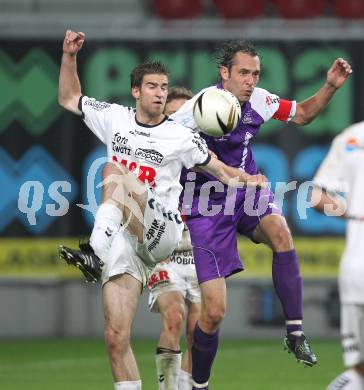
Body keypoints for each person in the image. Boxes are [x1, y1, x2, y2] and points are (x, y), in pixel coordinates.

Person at [58, 30, 266, 390]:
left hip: (163, 231)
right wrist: (69, 56)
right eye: (152, 86)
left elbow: (220, 170)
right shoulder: (114, 118)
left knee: (115, 172)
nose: (160, 93)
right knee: (115, 337)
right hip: (125, 236)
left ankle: (93, 251)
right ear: (136, 91)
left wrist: (248, 179)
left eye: (164, 87)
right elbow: (69, 97)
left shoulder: (180, 137)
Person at [170, 39, 352, 389]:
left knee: (281, 232)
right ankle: (199, 384)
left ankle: (295, 332)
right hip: (204, 207)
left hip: (246, 194)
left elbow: (302, 113)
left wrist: (329, 86)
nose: (250, 80)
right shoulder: (194, 111)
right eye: (243, 73)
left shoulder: (259, 100)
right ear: (224, 73)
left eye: (255, 73)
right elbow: (161, 145)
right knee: (213, 313)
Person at [147, 87, 200, 390]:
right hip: (165, 251)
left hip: (201, 251)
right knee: (174, 317)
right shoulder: (153, 157)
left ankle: (188, 386)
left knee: (199, 331)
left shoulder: (205, 157)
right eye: (174, 117)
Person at [311, 122, 364, 390]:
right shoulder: (353, 138)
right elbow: (316, 196)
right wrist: (352, 212)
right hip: (358, 268)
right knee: (360, 368)